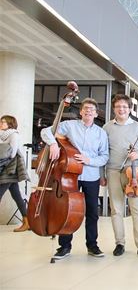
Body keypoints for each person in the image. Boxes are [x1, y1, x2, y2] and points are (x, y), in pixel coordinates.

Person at [41, 98, 109, 259]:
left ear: (96, 113)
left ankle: (92, 245)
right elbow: (45, 131)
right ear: (81, 111)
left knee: (92, 212)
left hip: (91, 176)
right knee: (67, 210)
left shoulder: (101, 133)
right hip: (69, 176)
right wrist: (53, 144)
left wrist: (89, 160)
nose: (88, 111)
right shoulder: (69, 125)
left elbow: (104, 157)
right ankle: (64, 246)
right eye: (85, 108)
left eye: (92, 109)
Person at [102, 94, 138, 258]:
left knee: (137, 209)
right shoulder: (107, 127)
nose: (121, 109)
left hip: (134, 173)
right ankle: (120, 243)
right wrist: (103, 173)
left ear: (130, 109)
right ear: (114, 109)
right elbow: (103, 151)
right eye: (118, 106)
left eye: (124, 106)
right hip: (113, 171)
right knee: (116, 209)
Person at [0, 115, 29, 232]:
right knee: (17, 196)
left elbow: (11, 154)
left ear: (10, 124)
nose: (1, 124)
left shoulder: (14, 135)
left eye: (3, 122)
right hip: (6, 168)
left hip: (9, 169)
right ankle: (28, 222)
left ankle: (27, 221)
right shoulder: (2, 135)